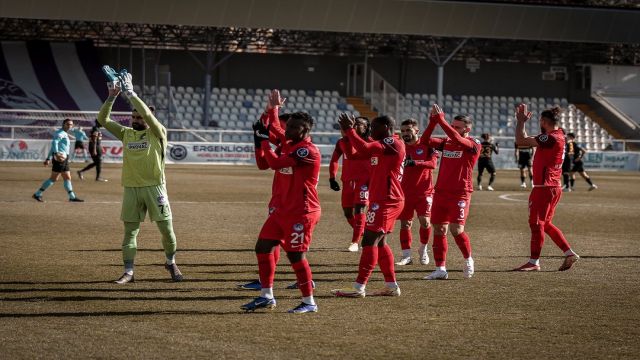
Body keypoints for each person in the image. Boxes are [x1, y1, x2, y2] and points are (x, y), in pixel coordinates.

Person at [98, 68, 183, 284]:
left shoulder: (158, 132)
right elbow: (102, 119)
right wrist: (112, 96)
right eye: (133, 116)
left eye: (139, 116)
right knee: (130, 234)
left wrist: (132, 94)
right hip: (132, 189)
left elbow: (147, 115)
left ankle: (171, 261)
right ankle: (129, 272)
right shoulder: (126, 133)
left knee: (167, 231)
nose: (135, 119)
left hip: (155, 188)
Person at [241, 108, 321, 314]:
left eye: (295, 127)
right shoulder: (288, 144)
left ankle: (309, 302)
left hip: (301, 212)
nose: (289, 130)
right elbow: (264, 160)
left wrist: (265, 140)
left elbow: (275, 163)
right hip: (282, 210)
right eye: (289, 126)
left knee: (296, 257)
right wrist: (271, 110)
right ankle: (266, 296)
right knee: (262, 247)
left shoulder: (307, 150)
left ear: (306, 130)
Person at [331, 113, 405, 298]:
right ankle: (391, 286)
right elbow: (362, 150)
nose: (371, 129)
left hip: (387, 200)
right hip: (383, 199)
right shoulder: (382, 145)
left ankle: (359, 287)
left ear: (387, 127)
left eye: (375, 126)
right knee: (381, 243)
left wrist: (349, 129)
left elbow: (363, 147)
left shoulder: (392, 143)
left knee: (369, 241)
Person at [513, 104, 580, 271]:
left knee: (536, 224)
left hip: (544, 187)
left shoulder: (550, 138)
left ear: (543, 121)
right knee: (546, 224)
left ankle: (534, 262)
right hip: (552, 186)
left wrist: (520, 121)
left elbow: (521, 141)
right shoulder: (559, 135)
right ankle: (569, 253)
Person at [422, 105, 481, 280]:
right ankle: (440, 268)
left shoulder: (473, 144)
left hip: (460, 193)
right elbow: (424, 141)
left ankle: (468, 259)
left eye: (458, 126)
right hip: (440, 192)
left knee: (456, 229)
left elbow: (456, 137)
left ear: (467, 129)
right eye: (452, 125)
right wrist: (433, 123)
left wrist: (441, 120)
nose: (454, 129)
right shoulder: (445, 143)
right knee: (439, 229)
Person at [395, 118, 438, 266]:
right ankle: (406, 255)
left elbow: (433, 164)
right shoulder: (399, 146)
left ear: (417, 131)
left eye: (408, 130)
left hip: (424, 192)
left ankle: (423, 249)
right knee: (405, 224)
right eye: (403, 131)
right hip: (404, 192)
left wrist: (416, 163)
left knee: (425, 222)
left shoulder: (427, 145)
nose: (405, 133)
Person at [329, 116, 372, 252]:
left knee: (359, 209)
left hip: (364, 182)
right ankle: (363, 232)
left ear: (366, 128)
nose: (353, 125)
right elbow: (335, 160)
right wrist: (332, 177)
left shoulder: (370, 142)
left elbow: (352, 154)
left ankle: (355, 242)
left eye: (358, 124)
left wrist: (348, 135)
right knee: (348, 213)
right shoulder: (342, 142)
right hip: (348, 181)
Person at [32, 118, 84, 203]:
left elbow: (53, 147)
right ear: (63, 124)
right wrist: (56, 154)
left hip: (64, 158)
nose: (70, 126)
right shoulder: (60, 133)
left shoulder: (64, 133)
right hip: (60, 159)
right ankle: (37, 194)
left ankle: (72, 197)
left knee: (67, 177)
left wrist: (48, 158)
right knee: (53, 178)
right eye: (68, 124)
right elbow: (54, 143)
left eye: (71, 124)